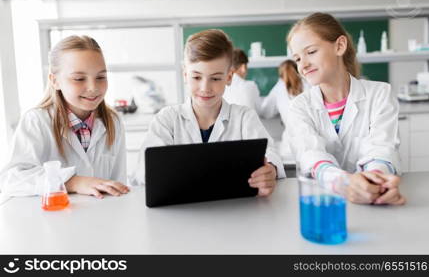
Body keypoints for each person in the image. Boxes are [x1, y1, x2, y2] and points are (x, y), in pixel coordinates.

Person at [133, 29, 285, 196]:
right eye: (197, 77)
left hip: (235, 211)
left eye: (215, 78)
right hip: (181, 213)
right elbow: (143, 173)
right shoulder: (167, 119)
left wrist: (271, 169)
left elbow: (271, 155)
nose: (205, 88)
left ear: (229, 77)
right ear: (185, 75)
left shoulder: (244, 117)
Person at [285, 12, 405, 205]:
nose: (303, 65)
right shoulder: (299, 107)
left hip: (375, 199)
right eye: (297, 58)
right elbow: (311, 155)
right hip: (324, 204)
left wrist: (373, 181)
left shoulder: (380, 93)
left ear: (339, 46)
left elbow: (382, 149)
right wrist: (346, 182)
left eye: (311, 52)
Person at [0, 35, 129, 198]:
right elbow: (11, 179)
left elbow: (118, 185)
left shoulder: (113, 122)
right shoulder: (37, 121)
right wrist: (73, 182)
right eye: (79, 78)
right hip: (52, 220)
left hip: (101, 219)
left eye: (101, 77)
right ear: (55, 81)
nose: (93, 87)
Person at [260, 60, 308, 160]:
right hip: (311, 141)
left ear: (280, 74)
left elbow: (266, 112)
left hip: (290, 147)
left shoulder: (278, 88)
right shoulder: (309, 82)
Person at [223, 48, 261, 113]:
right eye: (246, 66)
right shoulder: (251, 86)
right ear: (243, 67)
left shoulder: (222, 87)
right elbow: (260, 110)